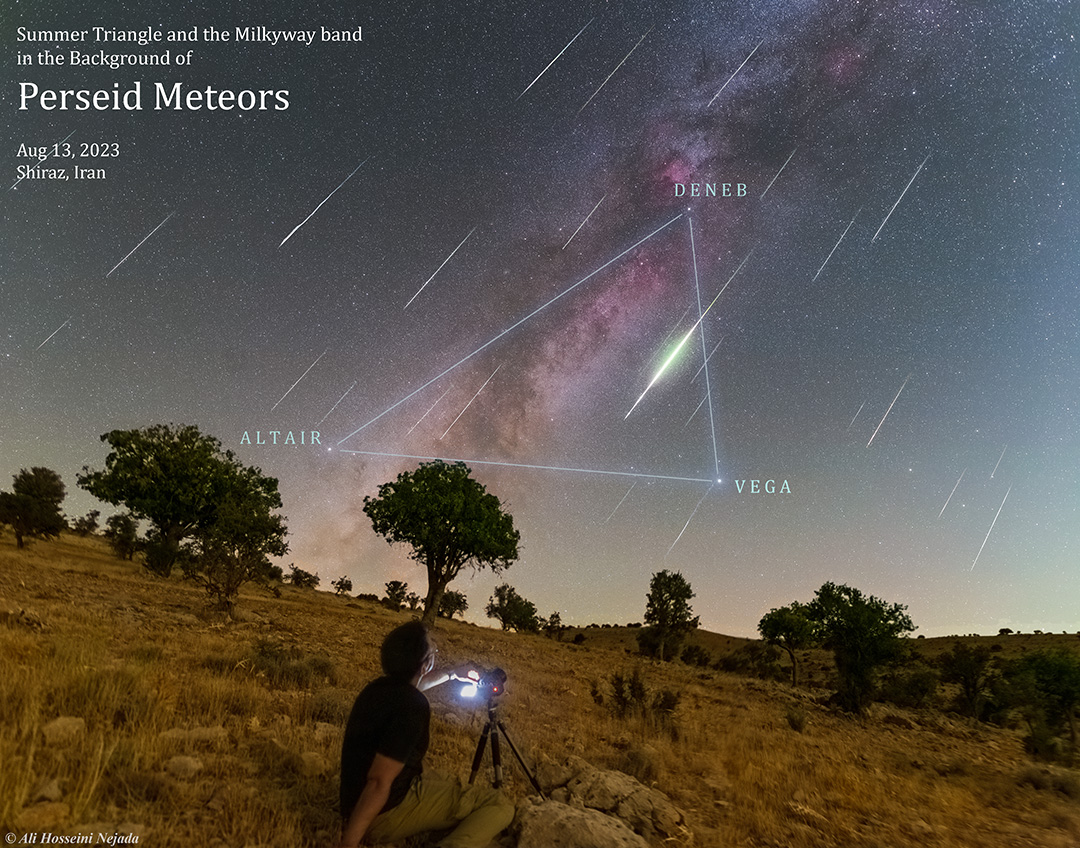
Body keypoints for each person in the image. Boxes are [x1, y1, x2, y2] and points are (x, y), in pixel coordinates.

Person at [338, 620, 515, 848]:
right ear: (424, 665)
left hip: (353, 803)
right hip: (383, 815)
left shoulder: (377, 690)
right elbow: (379, 781)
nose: (436, 653)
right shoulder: (413, 706)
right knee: (499, 804)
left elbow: (412, 688)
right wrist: (349, 842)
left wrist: (452, 673)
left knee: (447, 781)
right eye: (433, 650)